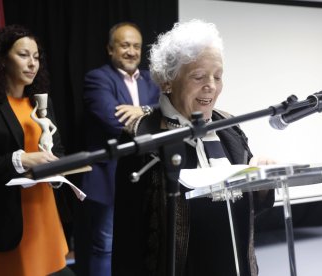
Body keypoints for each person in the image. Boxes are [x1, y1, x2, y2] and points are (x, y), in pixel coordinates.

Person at [112, 19, 275, 276]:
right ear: (168, 80)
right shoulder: (142, 134)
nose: (211, 85)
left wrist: (262, 186)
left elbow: (246, 212)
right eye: (199, 76)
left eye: (217, 76)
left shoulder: (230, 128)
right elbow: (128, 235)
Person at [0, 25, 74, 276]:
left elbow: (59, 151)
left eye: (36, 57)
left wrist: (58, 171)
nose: (32, 63)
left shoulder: (41, 102)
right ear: (1, 58)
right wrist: (21, 160)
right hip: (2, 222)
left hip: (44, 216)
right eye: (23, 55)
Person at [74, 22, 160, 276]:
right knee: (105, 246)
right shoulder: (97, 78)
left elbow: (167, 112)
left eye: (136, 46)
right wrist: (152, 116)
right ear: (110, 49)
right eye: (125, 45)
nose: (132, 51)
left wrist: (143, 110)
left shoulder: (152, 79)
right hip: (108, 178)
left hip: (147, 173)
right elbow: (114, 121)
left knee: (144, 242)